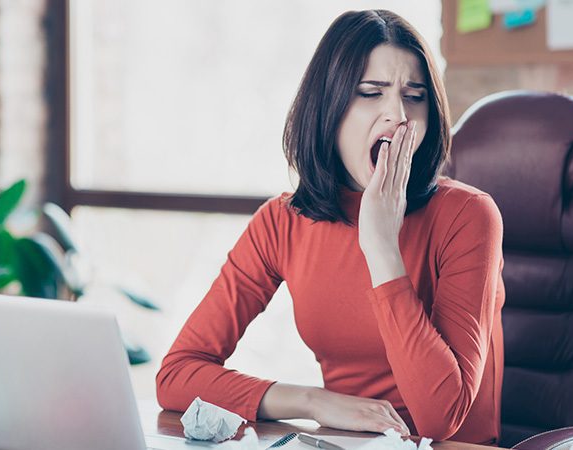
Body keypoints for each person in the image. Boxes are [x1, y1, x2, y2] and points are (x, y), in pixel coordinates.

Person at [156, 9, 505, 445]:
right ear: (329, 109)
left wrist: (381, 247)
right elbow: (176, 375)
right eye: (370, 93)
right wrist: (313, 401)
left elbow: (440, 419)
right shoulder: (282, 222)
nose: (397, 115)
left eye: (414, 96)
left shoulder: (469, 217)